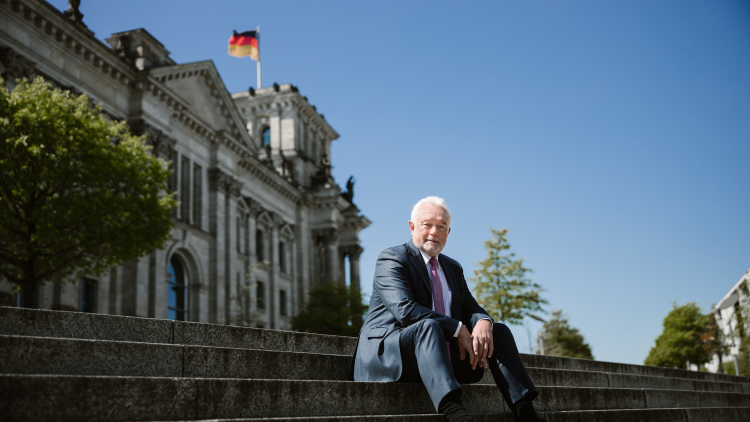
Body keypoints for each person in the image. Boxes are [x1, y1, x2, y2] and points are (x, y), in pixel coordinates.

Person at [349, 196, 546, 422]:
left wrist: (483, 321)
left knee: (497, 331)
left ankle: (525, 410)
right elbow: (404, 310)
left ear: (449, 232)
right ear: (412, 227)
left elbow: (471, 308)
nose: (434, 232)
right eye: (427, 225)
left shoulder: (452, 267)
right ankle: (455, 412)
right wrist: (457, 328)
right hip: (391, 354)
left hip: (440, 356)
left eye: (441, 227)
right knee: (428, 326)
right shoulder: (392, 259)